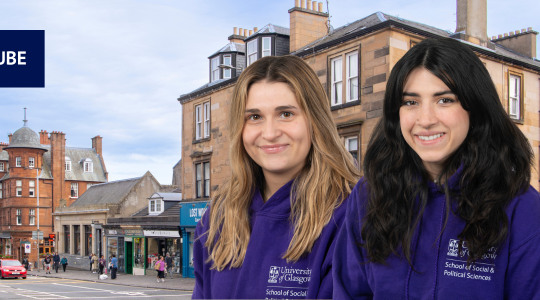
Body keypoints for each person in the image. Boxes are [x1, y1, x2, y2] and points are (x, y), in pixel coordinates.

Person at [332, 38, 540, 299]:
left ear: (475, 108)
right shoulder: (369, 195)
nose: (426, 120)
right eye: (411, 102)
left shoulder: (522, 208)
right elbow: (348, 292)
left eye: (444, 100)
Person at [191, 55, 360, 299]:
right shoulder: (217, 218)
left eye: (286, 114)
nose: (269, 133)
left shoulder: (351, 214)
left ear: (315, 121)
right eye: (255, 117)